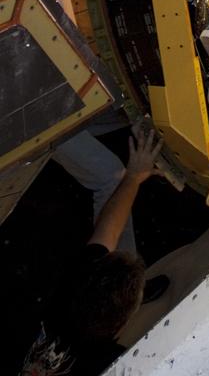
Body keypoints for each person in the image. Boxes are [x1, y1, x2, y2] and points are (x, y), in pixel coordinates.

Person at [0, 0, 135, 252]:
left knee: (134, 109)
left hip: (76, 93)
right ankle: (117, 274)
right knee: (112, 176)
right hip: (40, 115)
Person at [20, 125, 163, 376]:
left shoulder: (62, 301)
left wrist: (133, 177)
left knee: (113, 180)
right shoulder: (103, 362)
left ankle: (43, 125)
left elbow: (108, 229)